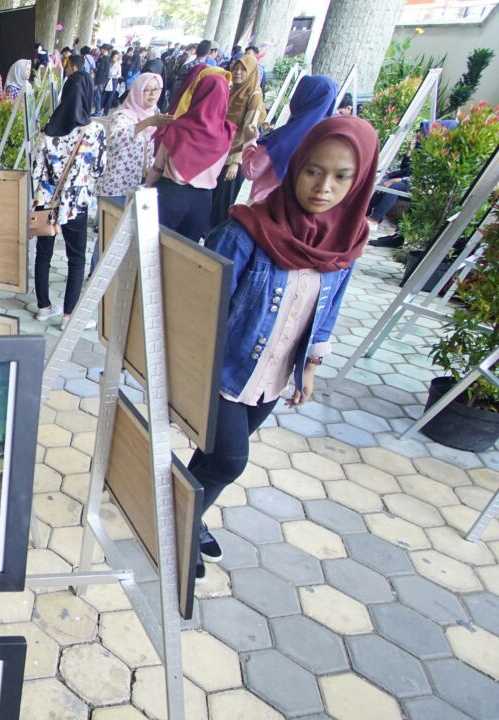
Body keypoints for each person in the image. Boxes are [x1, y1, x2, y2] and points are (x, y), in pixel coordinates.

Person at [190, 116, 379, 582]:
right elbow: (196, 303)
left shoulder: (348, 240)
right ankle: (180, 523)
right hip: (224, 371)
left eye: (341, 176)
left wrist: (311, 365)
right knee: (231, 460)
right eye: (313, 170)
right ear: (296, 166)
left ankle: (183, 514)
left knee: (214, 458)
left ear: (360, 181)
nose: (323, 187)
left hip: (273, 376)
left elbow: (329, 308)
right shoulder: (247, 231)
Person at [30, 71, 105, 328]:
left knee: (43, 255)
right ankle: (69, 316)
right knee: (76, 258)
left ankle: (43, 307)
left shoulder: (48, 130)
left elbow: (36, 170)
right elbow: (98, 169)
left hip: (46, 202)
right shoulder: (94, 131)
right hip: (76, 204)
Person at [147, 71, 236, 239]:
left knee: (153, 249)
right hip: (202, 201)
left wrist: (145, 190)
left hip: (170, 195)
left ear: (198, 93)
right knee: (186, 255)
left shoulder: (177, 127)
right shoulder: (227, 133)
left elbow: (158, 167)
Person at [242, 75, 338, 203]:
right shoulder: (329, 141)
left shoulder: (285, 137)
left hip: (263, 209)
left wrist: (249, 141)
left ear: (302, 98)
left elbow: (251, 171)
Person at [210, 53, 266, 228]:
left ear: (252, 72)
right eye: (236, 67)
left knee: (222, 203)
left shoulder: (254, 97)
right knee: (213, 197)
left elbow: (248, 132)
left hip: (233, 157)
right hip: (220, 152)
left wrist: (236, 161)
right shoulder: (233, 90)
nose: (238, 72)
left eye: (243, 69)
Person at [97, 73, 169, 203]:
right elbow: (114, 140)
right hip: (116, 186)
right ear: (137, 91)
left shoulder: (153, 113)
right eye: (147, 90)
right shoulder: (122, 116)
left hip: (140, 184)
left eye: (156, 89)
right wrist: (147, 123)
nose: (153, 93)